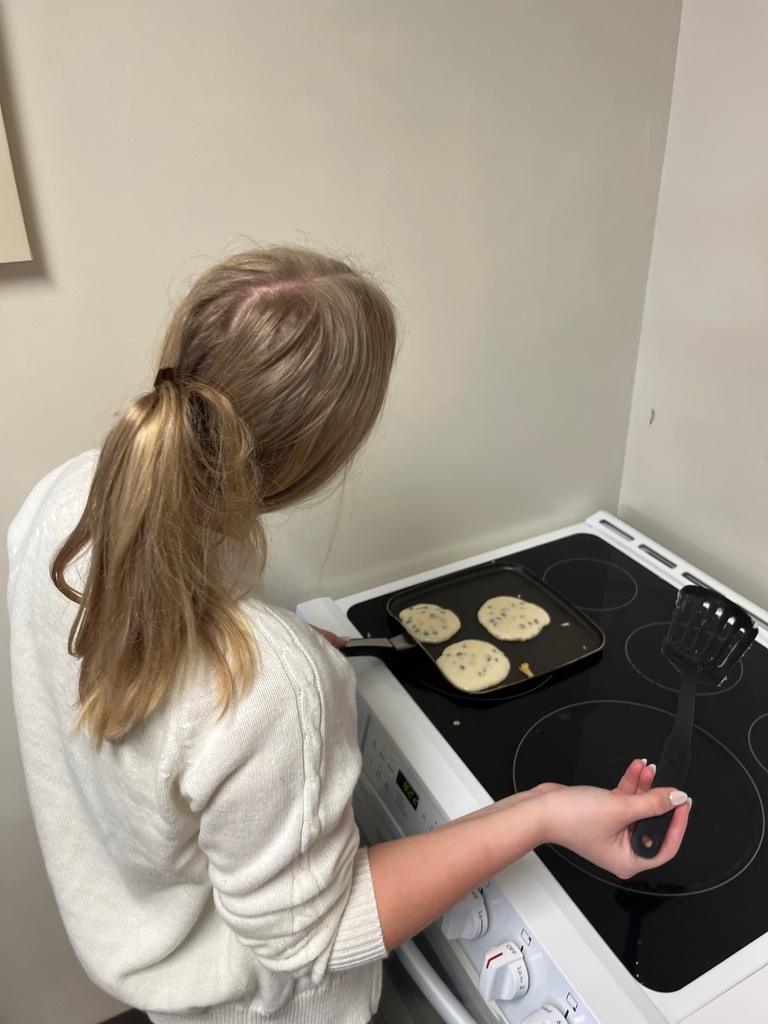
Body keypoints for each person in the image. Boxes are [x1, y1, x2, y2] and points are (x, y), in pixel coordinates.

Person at [8, 245, 690, 1024]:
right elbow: (315, 934)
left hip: (149, 955)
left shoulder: (65, 499)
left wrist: (273, 661)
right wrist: (538, 811)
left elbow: (158, 695)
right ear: (319, 460)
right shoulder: (270, 687)